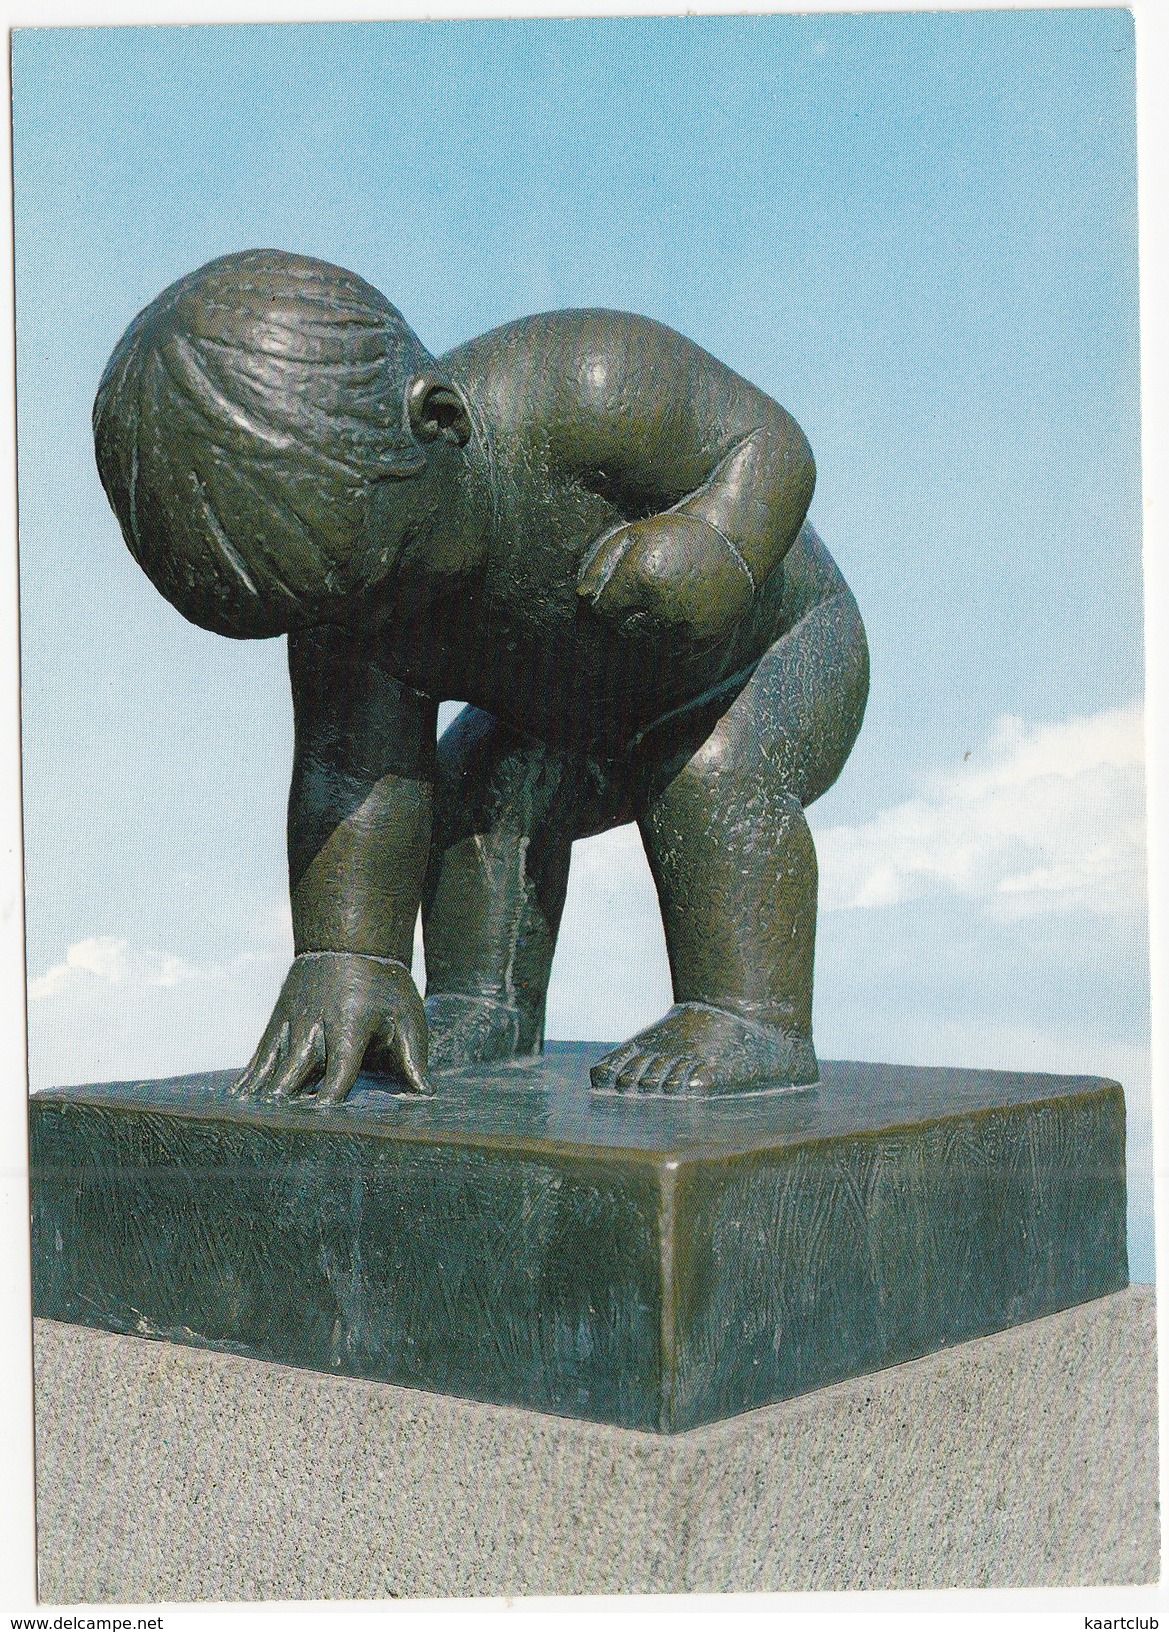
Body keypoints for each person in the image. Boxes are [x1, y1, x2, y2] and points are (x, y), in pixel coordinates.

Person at [94, 249, 868, 1104]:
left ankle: (749, 1016)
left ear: (439, 421)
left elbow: (768, 445)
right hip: (575, 715)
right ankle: (483, 1004)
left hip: (772, 660)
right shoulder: (345, 599)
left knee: (711, 773)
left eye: (385, 573)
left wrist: (717, 544)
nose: (367, 621)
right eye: (326, 609)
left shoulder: (588, 382)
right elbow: (352, 781)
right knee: (477, 784)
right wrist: (349, 957)